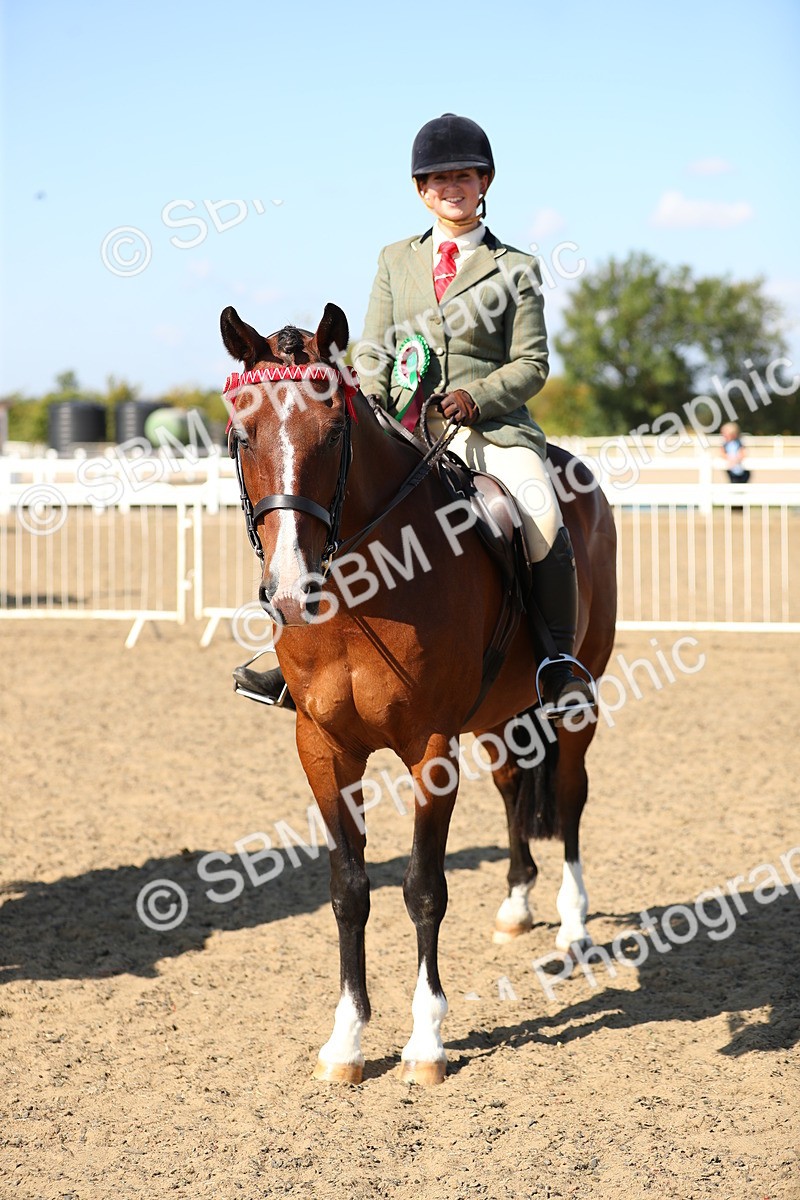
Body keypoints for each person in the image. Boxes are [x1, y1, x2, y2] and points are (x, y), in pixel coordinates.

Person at [234, 113, 595, 722]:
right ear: (420, 190)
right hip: (404, 427)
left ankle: (556, 661)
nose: (449, 187)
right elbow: (373, 352)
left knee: (538, 508)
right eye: (436, 179)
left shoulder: (515, 267)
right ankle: (300, 662)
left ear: (484, 182)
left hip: (490, 430)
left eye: (462, 175)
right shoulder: (394, 259)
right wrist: (369, 411)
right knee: (322, 500)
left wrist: (476, 397)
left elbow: (533, 363)